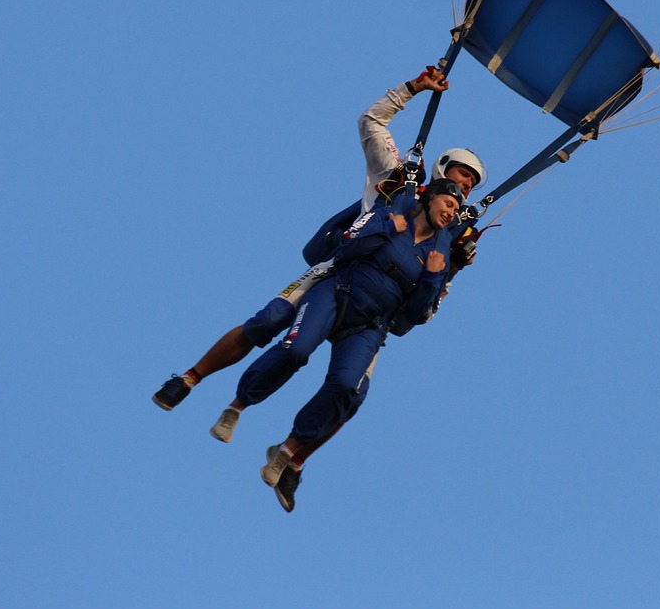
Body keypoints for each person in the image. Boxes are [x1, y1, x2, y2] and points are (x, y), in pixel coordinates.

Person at [150, 68, 485, 423]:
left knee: (351, 388)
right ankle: (189, 379)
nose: (465, 185)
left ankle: (289, 452)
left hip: (377, 304)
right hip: (340, 271)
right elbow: (371, 122)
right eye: (463, 174)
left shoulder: (454, 233)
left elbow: (431, 299)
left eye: (472, 183)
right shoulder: (398, 176)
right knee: (270, 320)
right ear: (443, 166)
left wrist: (454, 268)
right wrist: (414, 88)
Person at [234, 178, 465, 495]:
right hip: (338, 292)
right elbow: (348, 245)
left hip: (369, 324)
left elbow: (415, 316)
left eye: (457, 208)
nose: (451, 212)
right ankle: (239, 403)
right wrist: (387, 229)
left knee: (348, 388)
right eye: (448, 204)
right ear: (430, 199)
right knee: (295, 350)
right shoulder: (392, 213)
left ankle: (287, 450)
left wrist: (434, 276)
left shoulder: (440, 256)